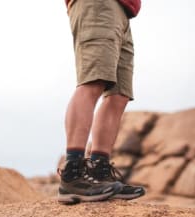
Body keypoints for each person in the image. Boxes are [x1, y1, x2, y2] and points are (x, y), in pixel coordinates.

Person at [57, 0, 145, 204]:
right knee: (93, 81)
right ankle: (72, 174)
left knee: (119, 94)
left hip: (124, 11)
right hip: (99, 5)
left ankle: (98, 171)